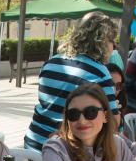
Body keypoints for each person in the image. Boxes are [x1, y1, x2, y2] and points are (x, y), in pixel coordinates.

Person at [23, 12, 120, 151]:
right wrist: (114, 108)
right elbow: (113, 123)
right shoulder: (99, 72)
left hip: (34, 142)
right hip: (66, 150)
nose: (114, 46)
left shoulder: (51, 62)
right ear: (102, 41)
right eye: (112, 41)